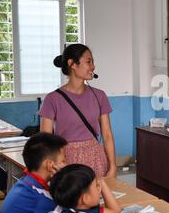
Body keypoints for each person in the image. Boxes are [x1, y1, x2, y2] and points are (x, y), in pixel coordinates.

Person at [40, 43, 117, 178]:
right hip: (65, 162)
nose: (93, 66)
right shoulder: (52, 99)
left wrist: (113, 166)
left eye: (92, 62)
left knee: (98, 199)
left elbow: (107, 135)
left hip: (96, 160)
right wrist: (53, 166)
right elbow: (46, 140)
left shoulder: (100, 96)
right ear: (72, 64)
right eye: (89, 61)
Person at [0, 133, 67, 213]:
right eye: (63, 161)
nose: (66, 164)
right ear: (50, 165)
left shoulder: (26, 182)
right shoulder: (41, 200)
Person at [47, 164, 142, 213]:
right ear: (86, 199)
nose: (99, 188)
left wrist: (101, 182)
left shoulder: (74, 207)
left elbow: (115, 210)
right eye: (96, 186)